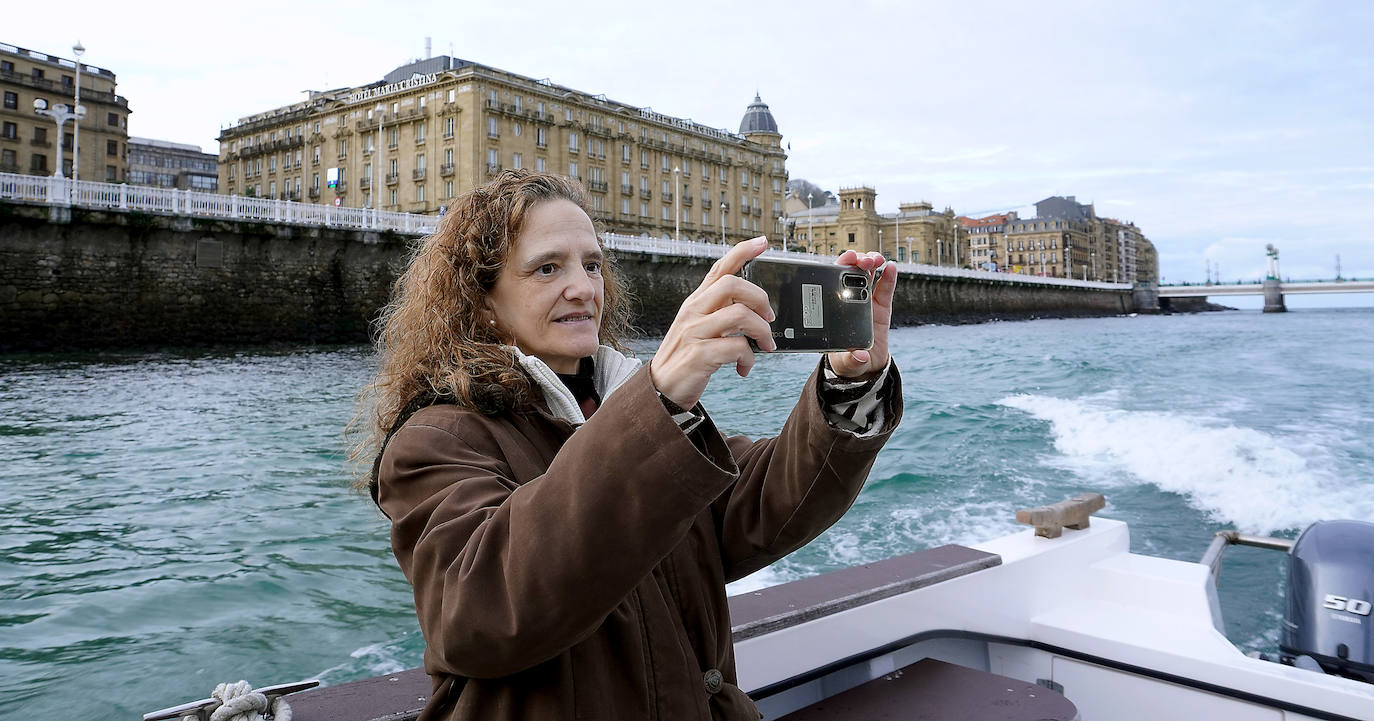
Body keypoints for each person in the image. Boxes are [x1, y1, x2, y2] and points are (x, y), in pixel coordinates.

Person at [353, 169, 902, 720]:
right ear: (481, 303)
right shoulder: (434, 439)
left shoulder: (626, 405)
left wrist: (849, 383)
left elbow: (757, 503)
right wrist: (656, 397)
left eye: (592, 265)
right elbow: (481, 614)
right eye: (547, 268)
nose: (583, 287)